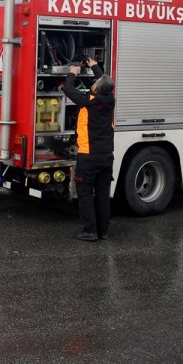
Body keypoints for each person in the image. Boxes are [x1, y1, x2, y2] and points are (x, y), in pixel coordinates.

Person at [62, 58, 116, 242]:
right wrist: (94, 65)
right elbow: (104, 82)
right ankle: (103, 231)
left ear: (95, 89)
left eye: (94, 84)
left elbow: (68, 89)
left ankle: (90, 231)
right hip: (107, 156)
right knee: (102, 194)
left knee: (84, 192)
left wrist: (73, 72)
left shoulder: (87, 102)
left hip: (88, 157)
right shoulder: (109, 100)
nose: (93, 85)